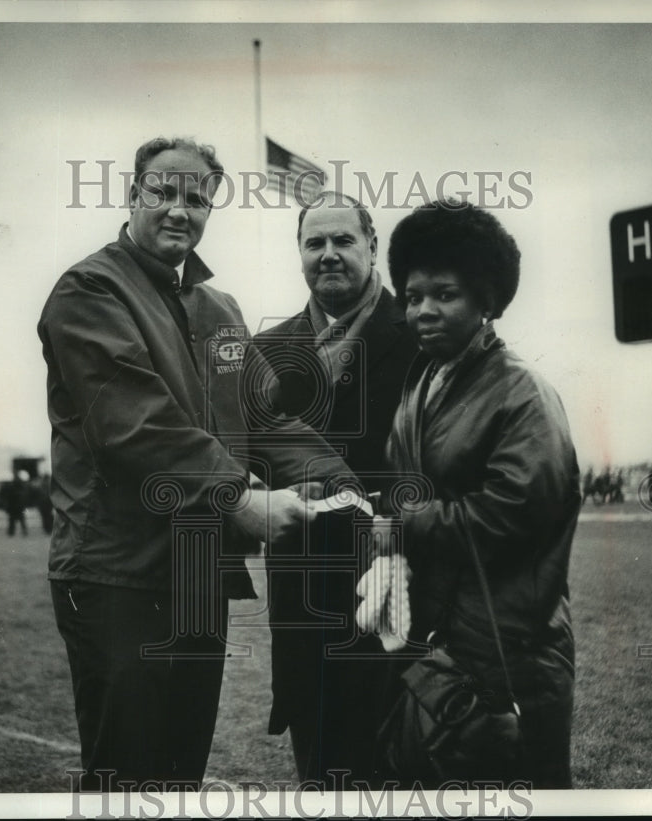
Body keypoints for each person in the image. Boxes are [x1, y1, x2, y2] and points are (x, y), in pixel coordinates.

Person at [37, 136, 353, 789]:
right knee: (126, 779)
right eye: (164, 192)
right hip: (117, 577)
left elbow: (268, 417)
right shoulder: (89, 290)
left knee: (180, 777)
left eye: (198, 198)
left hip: (198, 577)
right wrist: (240, 498)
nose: (180, 210)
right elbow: (137, 424)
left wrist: (345, 486)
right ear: (131, 195)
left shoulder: (220, 310)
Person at [379, 201, 580, 788]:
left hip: (514, 651)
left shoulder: (523, 394)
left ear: (487, 300)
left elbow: (512, 516)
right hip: (442, 645)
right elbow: (404, 485)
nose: (423, 310)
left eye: (446, 294)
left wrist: (401, 524)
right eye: (413, 296)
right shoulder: (423, 383)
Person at [254, 193, 419, 785]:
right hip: (305, 607)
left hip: (402, 598)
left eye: (343, 240)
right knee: (322, 780)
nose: (327, 255)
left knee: (404, 779)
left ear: (372, 246)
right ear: (299, 253)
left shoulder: (424, 333)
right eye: (313, 243)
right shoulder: (265, 350)